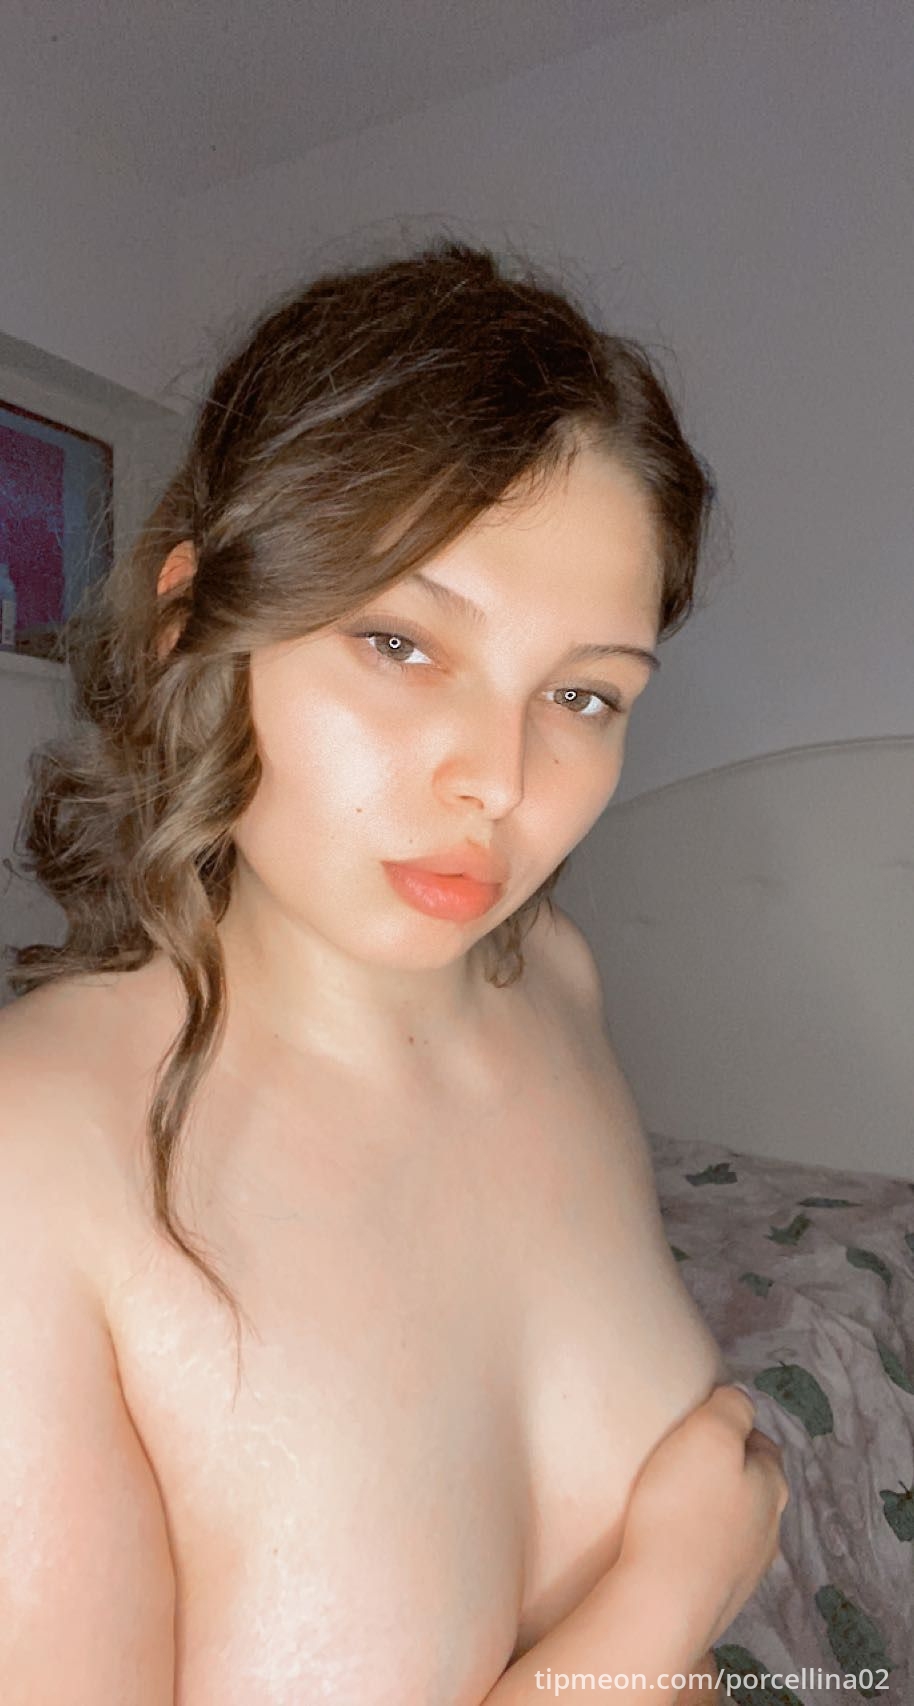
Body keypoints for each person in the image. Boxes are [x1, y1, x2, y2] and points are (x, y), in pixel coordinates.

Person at [0, 237, 788, 1705]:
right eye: (401, 643)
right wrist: (666, 1601)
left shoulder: (554, 980)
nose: (499, 778)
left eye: (582, 695)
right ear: (192, 628)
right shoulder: (34, 1158)